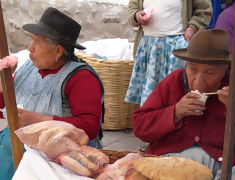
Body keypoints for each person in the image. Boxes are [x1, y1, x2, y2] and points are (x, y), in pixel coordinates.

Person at [0, 7, 104, 180]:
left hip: (57, 164)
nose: (30, 48)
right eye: (31, 41)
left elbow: (90, 126)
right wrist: (3, 85)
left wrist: (39, 121)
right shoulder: (28, 68)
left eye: (37, 43)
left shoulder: (81, 77)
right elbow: (4, 106)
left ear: (58, 51)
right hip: (11, 154)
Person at [132, 28, 235, 179]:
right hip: (173, 160)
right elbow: (140, 127)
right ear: (186, 65)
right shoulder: (173, 81)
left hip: (224, 163)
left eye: (209, 73)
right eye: (193, 70)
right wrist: (175, 112)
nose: (199, 82)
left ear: (225, 70)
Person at [125, 0, 213, 106]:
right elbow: (132, 8)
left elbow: (204, 10)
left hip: (177, 48)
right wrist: (136, 16)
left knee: (175, 95)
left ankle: (174, 120)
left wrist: (192, 28)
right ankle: (152, 121)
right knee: (150, 98)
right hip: (150, 47)